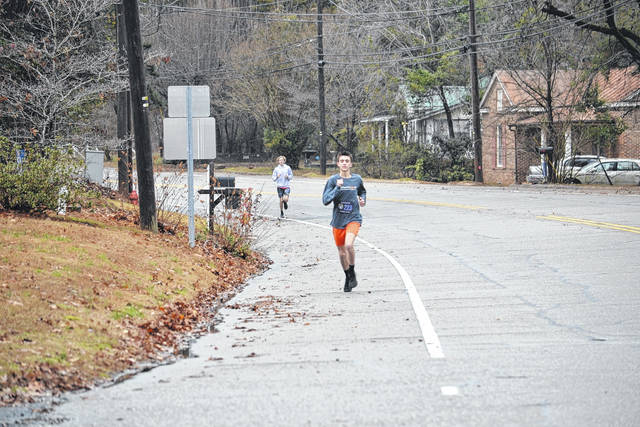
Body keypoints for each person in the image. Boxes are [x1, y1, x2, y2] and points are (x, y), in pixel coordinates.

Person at [322, 152, 366, 292]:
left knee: (348, 245)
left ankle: (352, 271)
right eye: (342, 161)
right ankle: (348, 276)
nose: (345, 163)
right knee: (341, 253)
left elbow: (362, 191)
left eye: (347, 161)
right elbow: (325, 200)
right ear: (338, 164)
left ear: (351, 164)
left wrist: (362, 199)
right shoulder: (333, 180)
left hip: (353, 218)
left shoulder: (357, 179)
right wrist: (337, 188)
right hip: (338, 220)